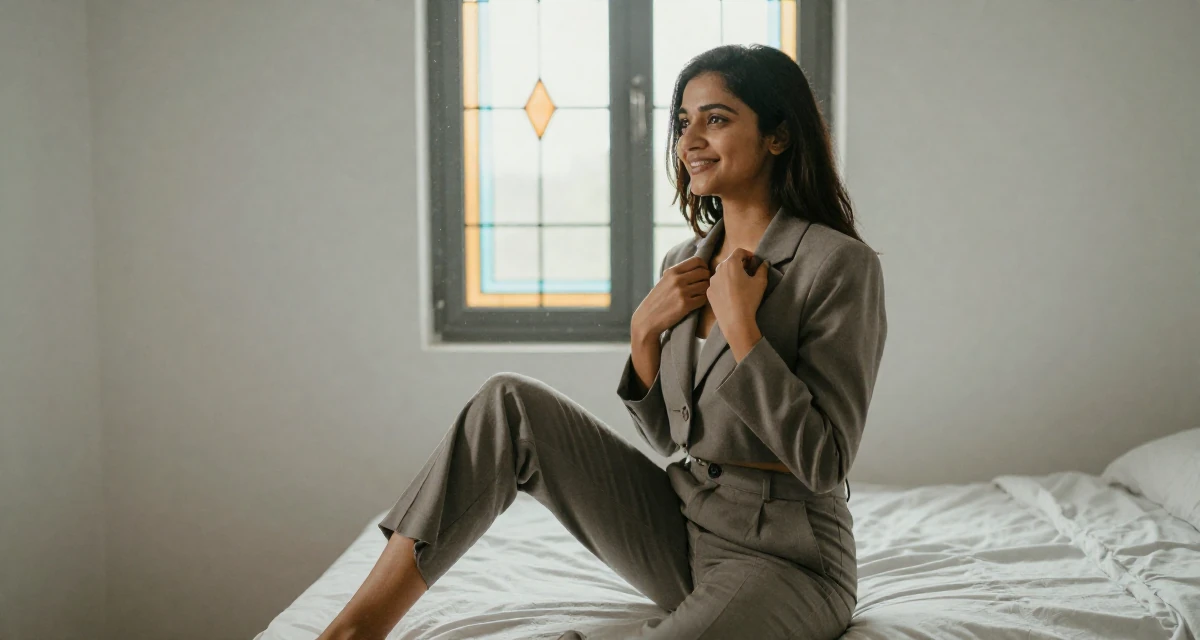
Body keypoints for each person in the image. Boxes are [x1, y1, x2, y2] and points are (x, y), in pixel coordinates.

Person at [317, 43, 887, 640]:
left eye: (715, 119)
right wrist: (644, 333)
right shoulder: (684, 263)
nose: (690, 139)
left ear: (778, 136)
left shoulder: (838, 265)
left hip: (788, 557)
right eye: (682, 122)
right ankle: (358, 628)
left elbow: (825, 462)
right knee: (508, 402)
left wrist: (743, 330)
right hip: (686, 524)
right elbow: (672, 437)